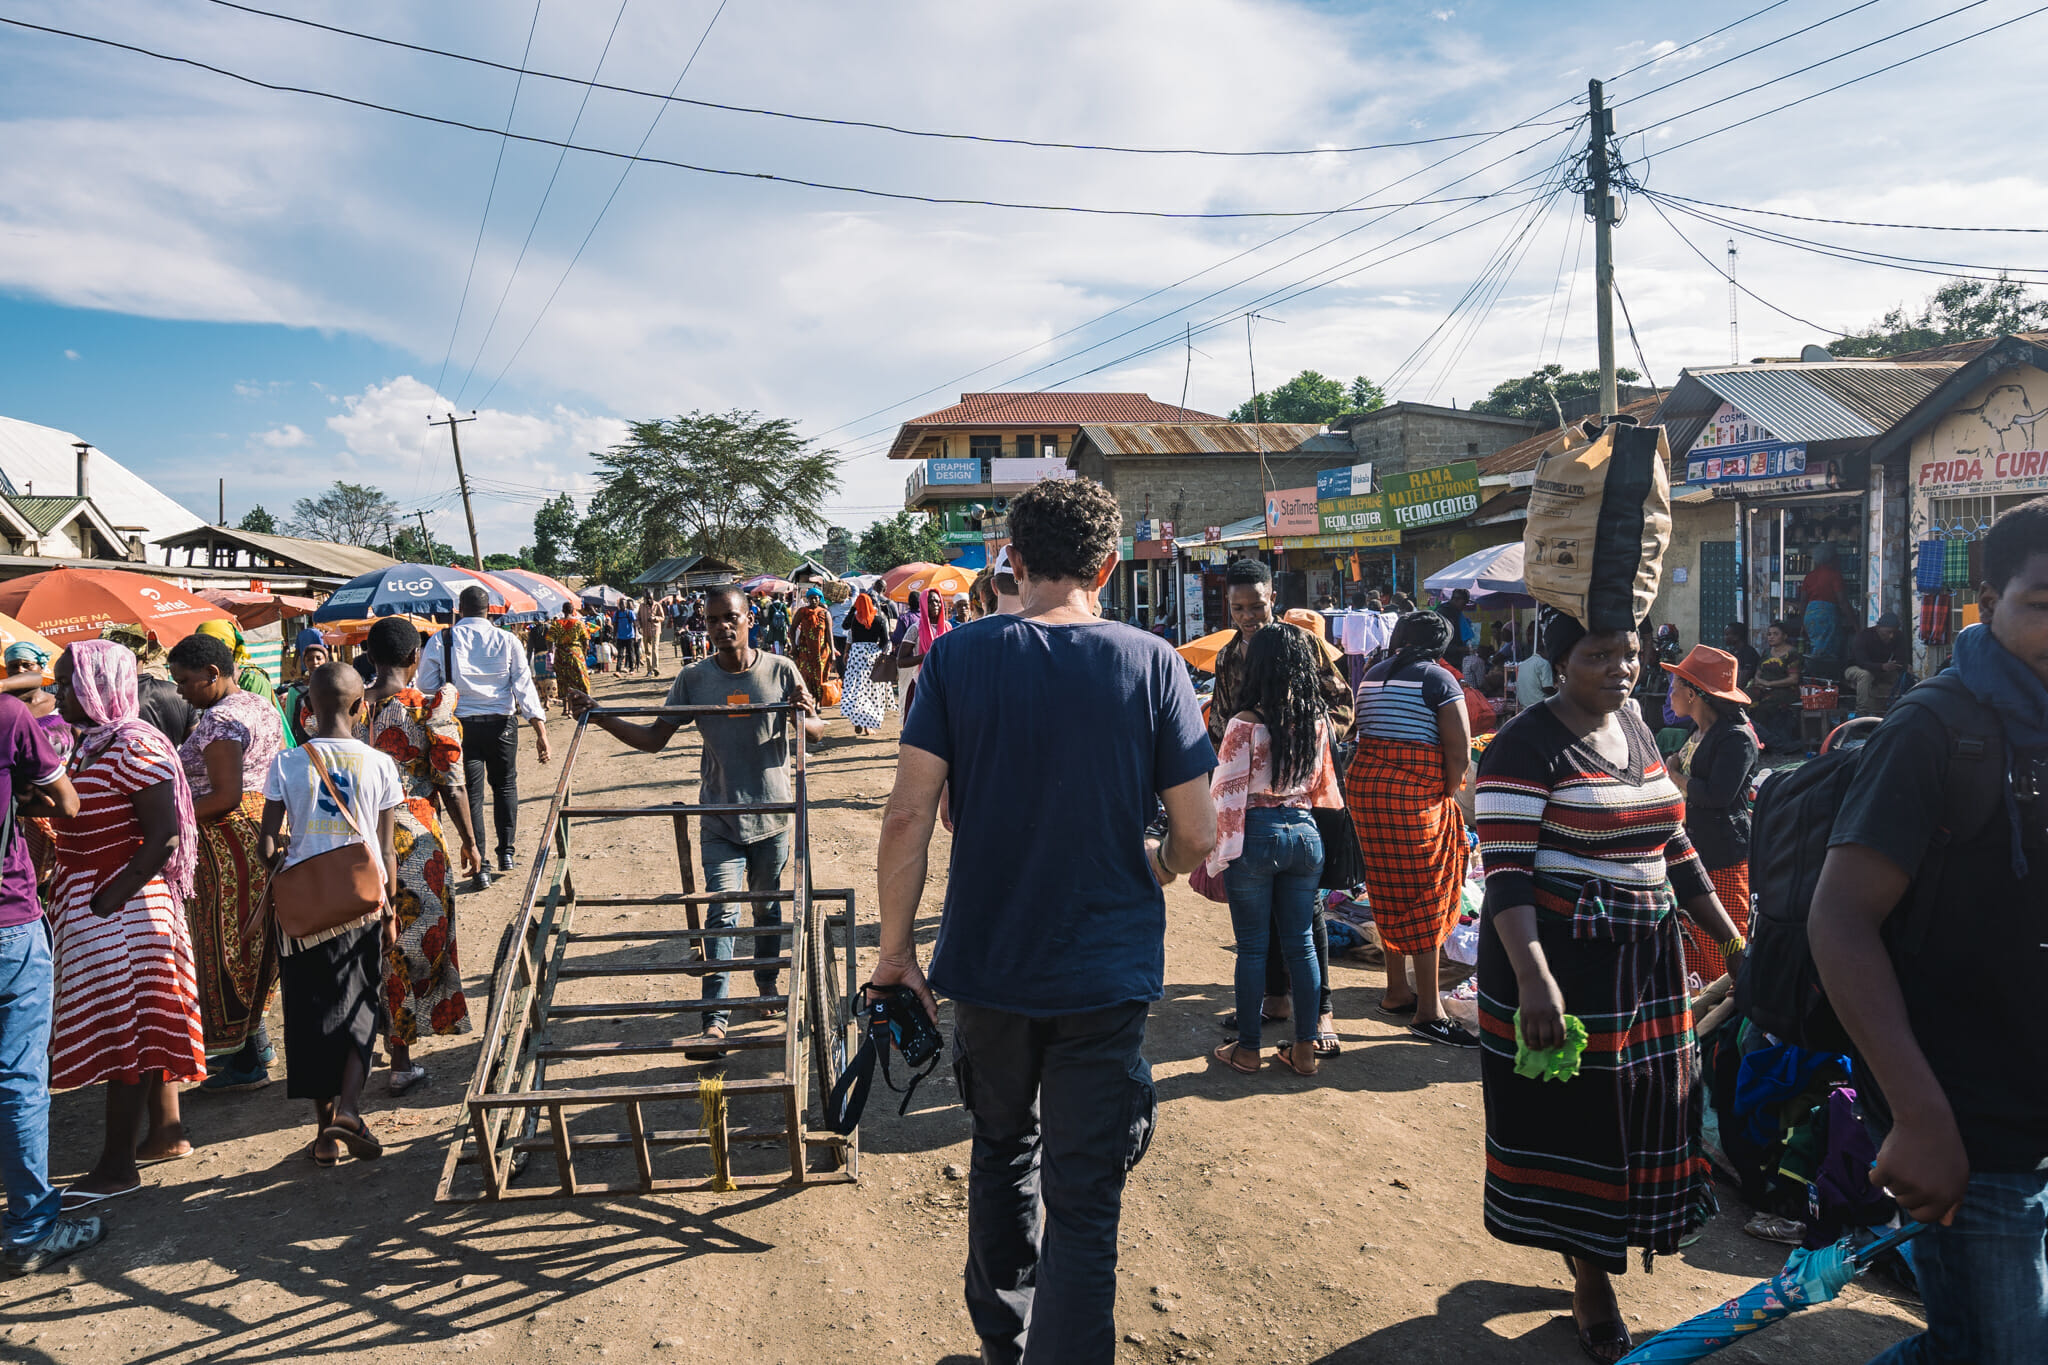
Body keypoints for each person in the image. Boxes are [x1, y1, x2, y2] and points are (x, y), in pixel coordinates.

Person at [869, 476, 1217, 1363]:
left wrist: (897, 951)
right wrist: (1161, 866)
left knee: (1001, 1152)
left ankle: (1002, 1341)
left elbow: (909, 814)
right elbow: (1199, 831)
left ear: (1012, 562)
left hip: (987, 962)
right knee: (1086, 1194)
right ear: (1107, 563)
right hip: (1106, 971)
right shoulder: (1154, 663)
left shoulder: (957, 658)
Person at [1809, 498, 2048, 1365]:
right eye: (2044, 602)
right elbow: (1839, 918)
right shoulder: (1936, 727)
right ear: (1988, 599)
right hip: (1961, 1115)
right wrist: (1917, 1113)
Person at [1474, 610, 1744, 1364]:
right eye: (1600, 653)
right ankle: (1591, 1278)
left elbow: (1676, 842)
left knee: (1650, 1107)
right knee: (1582, 1124)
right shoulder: (1523, 746)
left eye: (1631, 651)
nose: (1623, 667)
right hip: (1562, 969)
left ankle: (1597, 1246)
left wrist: (1730, 939)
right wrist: (1534, 978)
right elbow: (1505, 875)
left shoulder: (1636, 725)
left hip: (1644, 967)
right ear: (1560, 662)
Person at [568, 585, 823, 1056]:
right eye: (712, 620)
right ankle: (715, 1022)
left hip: (773, 816)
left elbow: (817, 729)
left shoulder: (780, 670)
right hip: (718, 818)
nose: (722, 627)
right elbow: (653, 739)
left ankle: (766, 984)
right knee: (722, 914)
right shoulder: (693, 679)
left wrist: (804, 717)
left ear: (750, 620)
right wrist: (601, 716)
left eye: (731, 617)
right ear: (703, 626)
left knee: (767, 907)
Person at [46, 642, 206, 1206]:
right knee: (143, 1025)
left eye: (68, 682)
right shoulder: (92, 744)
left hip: (126, 909)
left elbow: (163, 834)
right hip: (103, 902)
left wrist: (108, 898)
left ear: (97, 685)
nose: (59, 691)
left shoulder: (135, 743)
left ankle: (117, 1166)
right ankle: (164, 1132)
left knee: (125, 1033)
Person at [257, 664, 402, 1168]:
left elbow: (267, 843)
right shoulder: (381, 764)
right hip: (360, 904)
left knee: (308, 1014)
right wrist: (389, 909)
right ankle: (353, 1110)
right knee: (361, 1005)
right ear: (361, 706)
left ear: (306, 709)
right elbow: (385, 849)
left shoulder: (285, 764)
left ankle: (323, 1135)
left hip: (301, 911)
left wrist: (286, 857)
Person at [1208, 558, 1352, 1048]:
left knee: (1305, 922)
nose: (1247, 615)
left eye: (1256, 605)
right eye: (1238, 608)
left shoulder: (1301, 644)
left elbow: (1342, 702)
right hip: (1270, 807)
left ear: (1273, 597)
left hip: (1291, 800)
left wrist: (1298, 737)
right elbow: (1219, 723)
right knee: (1270, 925)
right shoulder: (1229, 657)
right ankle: (1277, 1002)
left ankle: (1322, 1015)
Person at [362, 618, 481, 1094]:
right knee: (415, 943)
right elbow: (451, 783)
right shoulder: (429, 707)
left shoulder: (344, 707)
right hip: (415, 835)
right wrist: (471, 841)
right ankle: (401, 1060)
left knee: (377, 945)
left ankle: (389, 1049)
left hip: (357, 837)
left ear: (370, 658)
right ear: (415, 659)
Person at [1348, 612, 1476, 1047]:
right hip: (1413, 798)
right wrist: (1447, 791)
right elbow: (1458, 751)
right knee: (1428, 890)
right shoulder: (1438, 680)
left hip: (1367, 795)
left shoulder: (1372, 674)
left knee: (1386, 886)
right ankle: (1428, 1010)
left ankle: (1395, 991)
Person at [169, 629, 284, 1092]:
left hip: (226, 841)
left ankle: (246, 1060)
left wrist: (170, 819)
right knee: (251, 945)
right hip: (256, 832)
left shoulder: (220, 721)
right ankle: (254, 1048)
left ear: (212, 674)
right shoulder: (258, 704)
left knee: (226, 949)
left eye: (184, 681)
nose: (179, 690)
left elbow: (224, 795)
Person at [0, 674, 88, 1274]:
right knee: (19, 1077)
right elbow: (69, 801)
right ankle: (32, 1225)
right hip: (8, 921)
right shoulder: (9, 718)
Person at [420, 586, 551, 881]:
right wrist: (539, 728)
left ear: (459, 609)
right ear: (489, 610)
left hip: (461, 726)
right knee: (505, 786)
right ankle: (506, 852)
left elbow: (427, 686)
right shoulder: (507, 640)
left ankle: (482, 866)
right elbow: (523, 685)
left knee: (471, 796)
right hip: (502, 724)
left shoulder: (442, 640)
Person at [1662, 645, 1759, 990]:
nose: (1668, 694)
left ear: (1692, 694)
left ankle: (1724, 1008)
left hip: (1722, 854)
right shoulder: (1699, 731)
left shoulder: (1737, 738)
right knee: (1693, 937)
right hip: (1692, 848)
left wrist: (1676, 776)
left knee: (1726, 936)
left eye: (1673, 688)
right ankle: (1699, 1004)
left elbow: (1717, 795)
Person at [102, 624, 193, 745]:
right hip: (169, 762)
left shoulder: (104, 701)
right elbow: (195, 745)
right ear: (145, 654)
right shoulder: (177, 692)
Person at [841, 591, 893, 737]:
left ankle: (857, 720)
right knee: (870, 690)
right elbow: (884, 641)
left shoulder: (854, 619)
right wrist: (881, 654)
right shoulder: (880, 619)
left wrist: (853, 610)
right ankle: (867, 725)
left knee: (856, 688)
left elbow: (846, 629)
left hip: (856, 656)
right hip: (872, 656)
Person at [1747, 620, 1804, 750]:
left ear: (1784, 636)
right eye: (1769, 634)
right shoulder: (1766, 653)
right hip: (1763, 687)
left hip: (1785, 690)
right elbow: (1758, 673)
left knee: (1763, 706)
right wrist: (1760, 682)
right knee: (1745, 700)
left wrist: (1770, 684)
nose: (1771, 637)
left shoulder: (1792, 654)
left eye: (1775, 634)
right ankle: (1751, 739)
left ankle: (1769, 743)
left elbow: (1793, 679)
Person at [1846, 611, 1911, 715]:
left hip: (1880, 669)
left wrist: (1901, 666)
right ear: (1878, 628)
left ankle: (1896, 709)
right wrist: (1882, 666)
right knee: (1865, 675)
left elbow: (1902, 658)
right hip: (1856, 668)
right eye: (1888, 632)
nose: (1891, 636)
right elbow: (1862, 662)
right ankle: (1861, 711)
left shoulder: (1898, 636)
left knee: (1904, 674)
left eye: (1893, 632)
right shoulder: (1864, 636)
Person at [194, 619, 274, 702]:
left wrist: (233, 689)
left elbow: (261, 712)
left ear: (232, 650)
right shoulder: (201, 677)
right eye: (202, 649)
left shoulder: (250, 678)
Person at [278, 629, 327, 747]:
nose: (314, 662)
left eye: (318, 658)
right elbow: (289, 722)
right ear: (304, 662)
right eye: (309, 659)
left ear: (326, 660)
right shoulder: (295, 690)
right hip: (303, 746)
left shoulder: (332, 687)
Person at [1800, 541, 1847, 663]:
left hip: (1810, 615)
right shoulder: (1834, 575)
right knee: (1827, 652)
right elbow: (1842, 601)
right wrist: (1856, 623)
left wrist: (1802, 622)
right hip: (1827, 615)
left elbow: (1803, 601)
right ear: (1832, 558)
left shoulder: (1809, 576)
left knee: (1816, 647)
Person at [791, 587, 835, 707]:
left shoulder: (825, 613)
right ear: (808, 599)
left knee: (821, 676)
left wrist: (833, 650)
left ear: (819, 599)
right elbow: (793, 628)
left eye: (816, 598)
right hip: (805, 650)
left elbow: (829, 633)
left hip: (822, 652)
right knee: (806, 675)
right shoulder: (802, 612)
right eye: (811, 598)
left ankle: (818, 703)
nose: (813, 600)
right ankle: (808, 701)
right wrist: (793, 646)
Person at [547, 603, 594, 705]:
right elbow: (586, 641)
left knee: (563, 680)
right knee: (581, 678)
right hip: (576, 653)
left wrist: (551, 651)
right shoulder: (579, 623)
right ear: (573, 611)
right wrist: (584, 653)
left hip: (560, 654)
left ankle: (566, 707)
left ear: (563, 611)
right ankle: (584, 701)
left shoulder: (556, 624)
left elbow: (549, 640)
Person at [1437, 587, 1473, 669]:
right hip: (1446, 659)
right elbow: (1439, 640)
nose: (1464, 606)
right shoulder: (1443, 613)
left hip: (1456, 658)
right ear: (1456, 600)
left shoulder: (1457, 613)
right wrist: (1457, 649)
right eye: (1464, 603)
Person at [1723, 621, 1761, 691]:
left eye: (1727, 634)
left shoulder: (1749, 653)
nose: (1724, 637)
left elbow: (1744, 679)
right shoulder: (1733, 652)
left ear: (1736, 637)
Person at [638, 595, 662, 678]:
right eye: (647, 599)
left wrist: (655, 618)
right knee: (647, 651)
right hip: (645, 631)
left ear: (653, 598)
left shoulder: (657, 605)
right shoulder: (641, 606)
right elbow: (638, 618)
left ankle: (656, 668)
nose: (649, 601)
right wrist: (639, 626)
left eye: (650, 599)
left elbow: (662, 617)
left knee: (655, 649)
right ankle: (649, 670)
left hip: (655, 630)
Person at [612, 602, 638, 675]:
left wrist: (636, 635)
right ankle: (618, 670)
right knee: (620, 654)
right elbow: (615, 625)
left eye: (623, 604)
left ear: (626, 605)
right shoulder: (617, 614)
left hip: (630, 636)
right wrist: (614, 636)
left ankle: (631, 669)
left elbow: (635, 625)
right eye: (621, 604)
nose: (622, 606)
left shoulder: (630, 613)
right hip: (620, 636)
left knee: (630, 653)